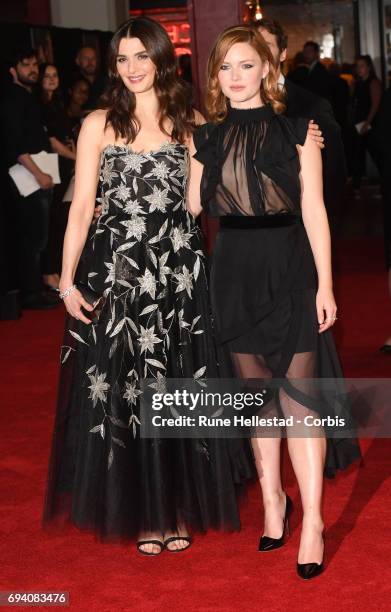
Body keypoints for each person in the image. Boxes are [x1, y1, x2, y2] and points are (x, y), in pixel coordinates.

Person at [43, 17, 252, 555]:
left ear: (162, 59)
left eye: (142, 56)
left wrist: (295, 138)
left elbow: (201, 204)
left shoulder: (191, 122)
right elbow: (82, 208)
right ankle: (139, 508)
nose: (132, 68)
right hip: (117, 276)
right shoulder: (97, 123)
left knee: (178, 382)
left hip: (179, 275)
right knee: (126, 389)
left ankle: (176, 504)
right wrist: (67, 284)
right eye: (123, 58)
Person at [189, 25, 361, 580]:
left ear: (266, 68)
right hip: (233, 272)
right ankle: (272, 503)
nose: (234, 77)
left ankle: (312, 519)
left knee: (300, 401)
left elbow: (315, 212)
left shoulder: (297, 130)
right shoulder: (206, 139)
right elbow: (191, 208)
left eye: (244, 65)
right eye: (224, 68)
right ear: (214, 77)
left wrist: (326, 284)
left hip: (290, 270)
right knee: (258, 402)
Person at [258, 19, 347, 229]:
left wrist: (317, 227)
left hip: (297, 226)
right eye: (254, 45)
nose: (259, 52)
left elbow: (334, 172)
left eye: (267, 46)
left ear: (282, 53)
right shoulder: (233, 106)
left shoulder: (311, 105)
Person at [0, 48, 58, 310]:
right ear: (13, 70)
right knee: (33, 237)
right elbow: (15, 144)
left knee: (38, 236)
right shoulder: (13, 99)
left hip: (36, 171)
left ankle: (36, 289)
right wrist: (38, 174)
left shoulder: (25, 97)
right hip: (27, 174)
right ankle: (31, 293)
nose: (33, 69)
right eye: (27, 64)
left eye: (36, 64)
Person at [38, 63, 77, 289]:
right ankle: (49, 272)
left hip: (64, 165)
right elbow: (52, 142)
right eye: (47, 76)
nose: (52, 79)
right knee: (53, 221)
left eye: (55, 75)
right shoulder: (41, 106)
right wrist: (76, 157)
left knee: (60, 221)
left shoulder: (56, 103)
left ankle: (55, 270)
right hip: (53, 166)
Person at [351, 55, 382, 193]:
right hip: (359, 124)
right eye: (357, 66)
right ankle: (356, 185)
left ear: (369, 67)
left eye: (362, 66)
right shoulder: (358, 82)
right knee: (357, 154)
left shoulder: (373, 82)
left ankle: (384, 181)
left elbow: (375, 105)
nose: (359, 69)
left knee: (377, 154)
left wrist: (367, 123)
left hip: (371, 125)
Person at [73, 46, 106, 111]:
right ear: (77, 61)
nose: (90, 62)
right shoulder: (73, 82)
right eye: (86, 58)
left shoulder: (106, 81)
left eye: (93, 58)